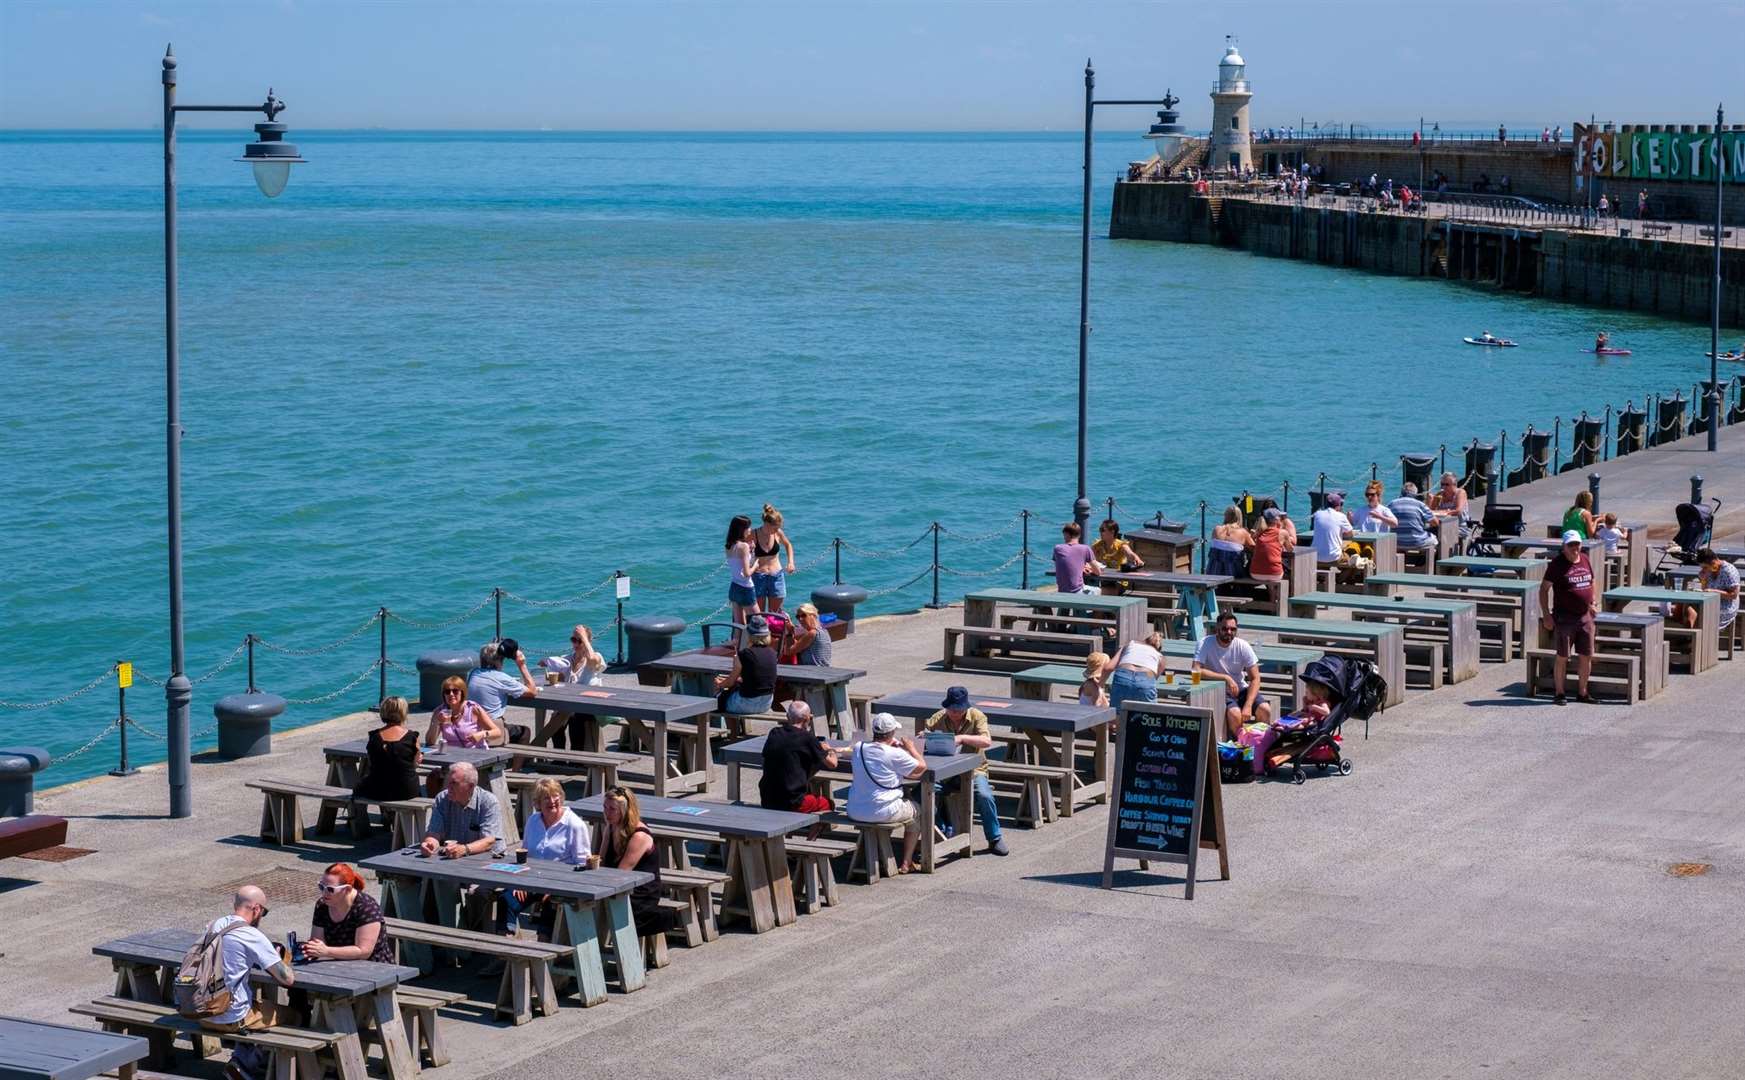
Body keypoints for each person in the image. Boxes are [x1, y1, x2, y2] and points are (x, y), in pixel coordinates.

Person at [198, 886, 296, 1080]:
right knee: (295, 1017)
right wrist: (274, 957)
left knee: (256, 1008)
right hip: (230, 1017)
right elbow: (288, 979)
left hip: (199, 1012)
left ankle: (242, 1061)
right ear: (257, 909)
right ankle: (248, 1066)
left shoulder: (212, 925)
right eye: (264, 912)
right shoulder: (252, 935)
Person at [924, 686, 1008, 856]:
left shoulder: (977, 716)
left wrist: (962, 738)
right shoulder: (938, 717)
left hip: (974, 770)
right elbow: (925, 735)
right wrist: (924, 737)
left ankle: (994, 837)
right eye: (951, 709)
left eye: (958, 709)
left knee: (985, 795)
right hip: (945, 772)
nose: (954, 712)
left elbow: (986, 741)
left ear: (966, 707)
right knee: (923, 791)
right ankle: (939, 830)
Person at [503, 778, 591, 933]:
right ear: (537, 803)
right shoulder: (533, 821)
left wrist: (556, 889)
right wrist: (519, 882)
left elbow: (583, 866)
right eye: (546, 798)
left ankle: (545, 950)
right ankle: (506, 944)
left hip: (560, 883)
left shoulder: (575, 825)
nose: (552, 801)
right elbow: (524, 855)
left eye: (555, 795)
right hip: (533, 880)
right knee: (506, 899)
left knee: (552, 904)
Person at [846, 714, 927, 873]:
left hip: (855, 810)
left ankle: (881, 851)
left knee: (893, 803)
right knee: (918, 811)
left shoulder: (859, 748)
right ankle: (906, 861)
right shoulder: (895, 754)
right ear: (891, 733)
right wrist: (910, 748)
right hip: (883, 811)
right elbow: (921, 766)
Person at [599, 786, 675, 936]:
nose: (607, 813)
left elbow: (621, 873)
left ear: (625, 810)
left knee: (593, 906)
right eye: (605, 807)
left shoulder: (639, 836)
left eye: (612, 809)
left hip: (641, 892)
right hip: (618, 884)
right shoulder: (611, 827)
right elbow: (601, 862)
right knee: (574, 904)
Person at [1539, 531, 1598, 705]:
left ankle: (1583, 692)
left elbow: (1592, 581)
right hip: (1564, 617)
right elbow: (1544, 589)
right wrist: (1546, 615)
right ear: (1563, 547)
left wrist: (1593, 601)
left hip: (1585, 616)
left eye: (1577, 544)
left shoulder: (1585, 559)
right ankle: (1559, 693)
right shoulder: (1557, 564)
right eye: (1571, 545)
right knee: (1563, 656)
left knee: (1586, 655)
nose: (1575, 548)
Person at [1194, 611, 1270, 739]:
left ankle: (1261, 744)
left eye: (1232, 629)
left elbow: (1255, 678)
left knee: (1265, 709)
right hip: (1220, 691)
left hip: (1241, 689)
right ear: (1217, 629)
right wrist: (1225, 678)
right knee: (1235, 715)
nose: (1229, 632)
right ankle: (1240, 745)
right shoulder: (1205, 643)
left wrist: (1248, 704)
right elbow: (1196, 670)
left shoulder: (1242, 646)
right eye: (1225, 629)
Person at [759, 700, 838, 814]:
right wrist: (830, 750)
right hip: (792, 802)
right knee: (829, 804)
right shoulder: (808, 738)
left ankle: (798, 829)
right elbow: (833, 764)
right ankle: (812, 832)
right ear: (807, 719)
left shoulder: (774, 733)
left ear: (787, 717)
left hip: (767, 799)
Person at [1242, 677, 1331, 778]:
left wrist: (1315, 707)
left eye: (1307, 692)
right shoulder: (1311, 701)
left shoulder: (1322, 703)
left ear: (1316, 694)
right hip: (1308, 719)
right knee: (1297, 716)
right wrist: (1305, 703)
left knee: (1302, 722)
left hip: (1315, 724)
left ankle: (1287, 727)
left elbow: (1327, 712)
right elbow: (1305, 710)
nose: (1305, 694)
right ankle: (1282, 724)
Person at [303, 863, 392, 963]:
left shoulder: (366, 907)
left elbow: (363, 952)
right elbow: (317, 942)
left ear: (347, 889)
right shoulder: (322, 905)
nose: (324, 893)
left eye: (330, 889)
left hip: (373, 967)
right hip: (335, 963)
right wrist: (312, 949)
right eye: (321, 887)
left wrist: (327, 951)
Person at [539, 624, 605, 750]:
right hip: (570, 704)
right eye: (573, 640)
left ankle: (577, 759)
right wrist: (549, 668)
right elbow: (561, 682)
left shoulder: (595, 657)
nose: (576, 644)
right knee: (556, 721)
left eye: (579, 641)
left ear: (588, 641)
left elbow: (592, 659)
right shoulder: (566, 660)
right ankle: (559, 757)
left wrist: (584, 638)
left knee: (576, 720)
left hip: (591, 704)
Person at [421, 762, 504, 859]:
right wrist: (429, 844)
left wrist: (464, 849)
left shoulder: (488, 801)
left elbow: (488, 841)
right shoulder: (442, 799)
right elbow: (434, 833)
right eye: (448, 782)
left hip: (489, 858)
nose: (449, 788)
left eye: (454, 783)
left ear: (471, 786)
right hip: (454, 857)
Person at [714, 613, 778, 737]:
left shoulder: (744, 654)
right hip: (766, 703)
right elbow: (756, 677)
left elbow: (730, 682)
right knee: (732, 693)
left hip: (747, 703)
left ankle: (732, 736)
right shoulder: (772, 653)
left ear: (749, 635)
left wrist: (719, 683)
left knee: (721, 699)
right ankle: (736, 734)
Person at [353, 696, 421, 803]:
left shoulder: (374, 737)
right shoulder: (412, 737)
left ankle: (362, 818)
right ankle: (390, 816)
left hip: (378, 791)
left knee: (359, 786)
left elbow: (373, 764)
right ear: (404, 713)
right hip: (407, 791)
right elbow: (415, 765)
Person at [467, 640, 536, 742]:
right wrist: (521, 665)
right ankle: (518, 758)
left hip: (472, 726)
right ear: (499, 661)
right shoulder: (501, 678)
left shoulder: (473, 673)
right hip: (492, 729)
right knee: (525, 732)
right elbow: (532, 692)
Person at [1097, 631, 1166, 715]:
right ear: (1158, 647)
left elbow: (1108, 668)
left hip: (1123, 677)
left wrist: (1100, 686)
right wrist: (1143, 677)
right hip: (1145, 681)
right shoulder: (1160, 657)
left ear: (1143, 641)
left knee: (1118, 717)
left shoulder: (1130, 645)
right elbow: (1152, 677)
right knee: (1148, 719)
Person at [424, 676, 501, 751]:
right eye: (447, 692)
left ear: (462, 692)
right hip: (452, 755)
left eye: (455, 691)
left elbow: (497, 732)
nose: (451, 694)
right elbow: (430, 742)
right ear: (444, 694)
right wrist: (437, 721)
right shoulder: (439, 711)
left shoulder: (473, 708)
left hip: (476, 753)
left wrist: (482, 734)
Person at [1674, 548, 1739, 631]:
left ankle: (1689, 634)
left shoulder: (1728, 571)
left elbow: (1734, 595)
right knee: (1683, 602)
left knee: (1690, 607)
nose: (1703, 569)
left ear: (1713, 562)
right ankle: (1685, 632)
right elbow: (1705, 589)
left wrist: (1713, 592)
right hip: (1710, 602)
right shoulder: (1711, 569)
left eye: (1705, 567)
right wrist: (1703, 580)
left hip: (1725, 607)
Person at [751, 504, 797, 613]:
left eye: (778, 527)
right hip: (758, 576)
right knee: (759, 613)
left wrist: (791, 562)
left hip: (776, 576)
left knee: (775, 612)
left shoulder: (778, 533)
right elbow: (741, 548)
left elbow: (788, 545)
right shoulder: (753, 534)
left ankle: (774, 630)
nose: (777, 530)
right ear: (766, 524)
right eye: (775, 527)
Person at [724, 514, 757, 635]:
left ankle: (737, 652)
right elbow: (747, 573)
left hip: (734, 587)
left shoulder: (729, 545)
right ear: (741, 529)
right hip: (746, 588)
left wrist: (751, 551)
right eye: (748, 527)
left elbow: (738, 566)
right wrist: (756, 565)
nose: (750, 530)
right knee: (759, 622)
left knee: (739, 625)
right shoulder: (743, 546)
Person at [1052, 522, 1103, 595]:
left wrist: (1080, 567)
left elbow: (1062, 566)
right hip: (1077, 591)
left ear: (1066, 534)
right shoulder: (1085, 548)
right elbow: (1098, 572)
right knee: (1099, 590)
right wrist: (1086, 568)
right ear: (1079, 535)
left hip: (1062, 591)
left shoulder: (1057, 548)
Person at [1092, 519, 1143, 592]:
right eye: (1100, 529)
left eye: (1103, 530)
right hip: (1103, 580)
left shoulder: (1121, 545)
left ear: (1112, 532)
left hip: (1119, 581)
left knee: (1102, 592)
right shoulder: (1097, 546)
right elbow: (1088, 557)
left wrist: (1136, 559)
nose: (1100, 532)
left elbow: (1130, 554)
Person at [1389, 482, 1440, 555]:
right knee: (1435, 540)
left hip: (1397, 542)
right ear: (1415, 494)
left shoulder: (1391, 504)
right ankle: (1428, 563)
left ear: (1401, 493)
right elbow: (1435, 523)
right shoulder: (1420, 504)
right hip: (1417, 542)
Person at [1426, 472, 1471, 549]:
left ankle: (1441, 556)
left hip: (1459, 527)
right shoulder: (1440, 494)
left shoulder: (1460, 493)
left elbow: (1458, 511)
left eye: (1447, 485)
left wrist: (1443, 512)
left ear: (1455, 485)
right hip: (1440, 526)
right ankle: (1428, 556)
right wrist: (1431, 501)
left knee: (1441, 534)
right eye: (1442, 484)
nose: (1443, 487)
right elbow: (1431, 512)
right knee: (1425, 532)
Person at [1205, 506, 1252, 577]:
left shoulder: (1216, 529)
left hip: (1213, 571)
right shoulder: (1243, 532)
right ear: (1239, 517)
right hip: (1233, 573)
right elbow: (1254, 548)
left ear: (1225, 516)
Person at [1310, 492, 1353, 567]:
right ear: (1338, 505)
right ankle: (1342, 578)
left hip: (1316, 557)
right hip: (1334, 558)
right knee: (1351, 558)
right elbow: (1350, 534)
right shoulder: (1341, 516)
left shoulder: (1317, 514)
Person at [1249, 508, 1286, 582]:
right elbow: (1290, 549)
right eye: (1280, 517)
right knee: (1286, 573)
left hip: (1255, 573)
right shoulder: (1283, 532)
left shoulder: (1259, 532)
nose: (1281, 519)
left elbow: (1253, 542)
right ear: (1275, 520)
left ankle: (1270, 592)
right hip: (1275, 574)